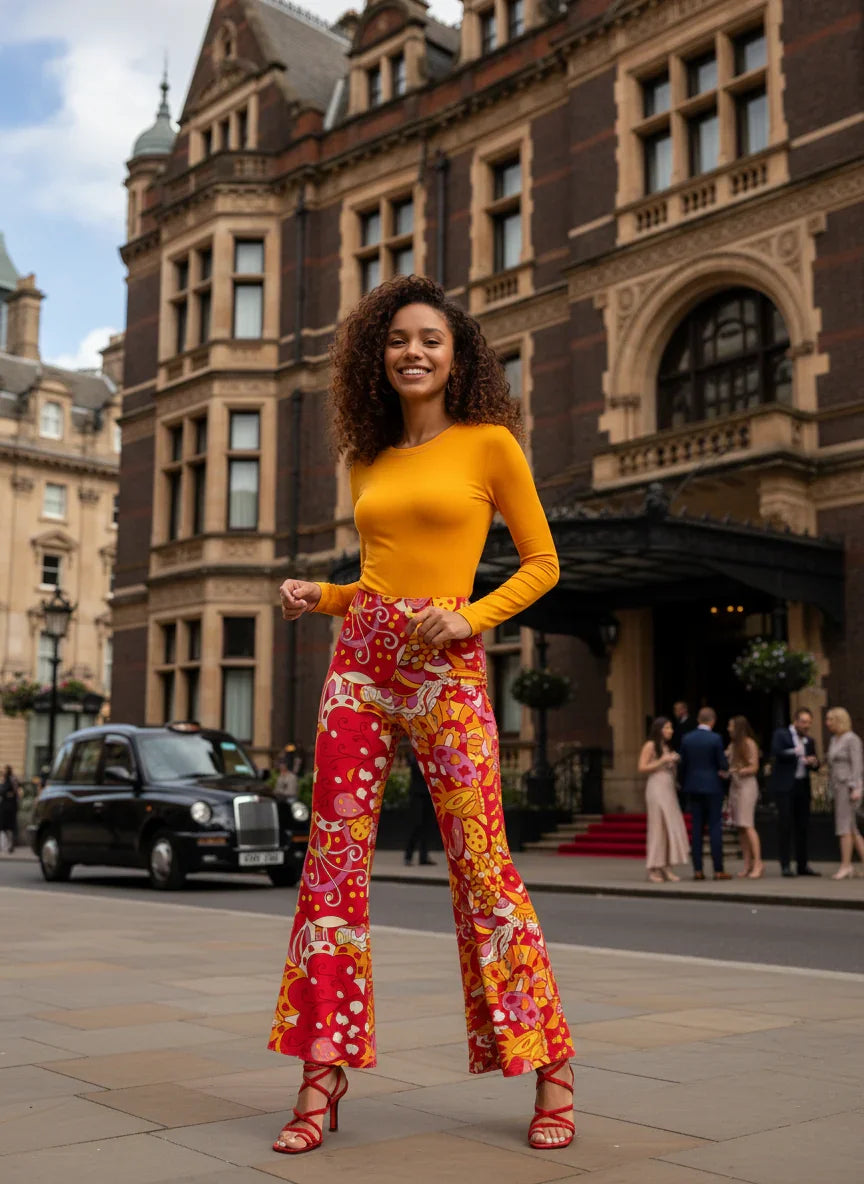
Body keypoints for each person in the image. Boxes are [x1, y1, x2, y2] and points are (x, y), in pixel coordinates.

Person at [268, 276, 575, 1156]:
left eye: (430, 340)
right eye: (398, 339)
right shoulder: (366, 455)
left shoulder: (490, 446)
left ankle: (550, 1065)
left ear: (457, 354)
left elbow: (543, 563)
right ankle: (321, 1076)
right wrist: (316, 595)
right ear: (380, 353)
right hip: (359, 665)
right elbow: (375, 581)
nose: (413, 352)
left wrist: (471, 616)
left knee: (485, 870)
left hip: (447, 670)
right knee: (331, 871)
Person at [679, 707, 731, 881]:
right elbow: (722, 764)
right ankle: (718, 869)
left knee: (697, 830)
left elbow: (682, 764)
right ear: (713, 720)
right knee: (715, 827)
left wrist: (683, 782)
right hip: (713, 788)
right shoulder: (715, 738)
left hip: (693, 787)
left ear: (698, 720)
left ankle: (698, 870)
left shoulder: (687, 738)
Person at [769, 707, 821, 877]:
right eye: (804, 722)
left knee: (803, 826)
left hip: (802, 786)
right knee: (785, 825)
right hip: (785, 787)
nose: (807, 726)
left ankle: (802, 864)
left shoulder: (810, 741)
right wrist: (796, 753)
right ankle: (785, 864)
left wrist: (813, 763)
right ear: (796, 721)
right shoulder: (781, 735)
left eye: (809, 723)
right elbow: (776, 752)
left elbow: (815, 762)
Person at [638, 718, 689, 882]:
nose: (671, 731)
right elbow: (642, 767)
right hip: (656, 788)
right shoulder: (650, 745)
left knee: (669, 826)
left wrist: (672, 762)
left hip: (668, 789)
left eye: (671, 727)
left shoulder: (666, 747)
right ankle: (653, 867)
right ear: (659, 729)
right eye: (667, 727)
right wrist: (662, 760)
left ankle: (666, 866)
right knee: (657, 827)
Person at [825, 707, 864, 880]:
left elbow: (857, 765)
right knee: (852, 828)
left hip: (848, 787)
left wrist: (856, 787)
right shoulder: (834, 739)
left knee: (844, 827)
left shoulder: (852, 739)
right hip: (837, 786)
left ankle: (846, 865)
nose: (827, 723)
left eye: (830, 719)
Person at [726, 716, 763, 879]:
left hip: (747, 786)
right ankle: (747, 864)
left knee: (748, 824)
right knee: (740, 826)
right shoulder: (733, 745)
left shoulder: (749, 743)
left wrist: (739, 770)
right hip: (735, 786)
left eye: (731, 726)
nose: (728, 728)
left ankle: (758, 863)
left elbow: (754, 767)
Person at [403, 745, 436, 866]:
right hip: (417, 795)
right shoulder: (415, 756)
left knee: (427, 826)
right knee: (417, 825)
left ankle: (423, 856)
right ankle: (408, 855)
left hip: (428, 794)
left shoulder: (429, 756)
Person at [0, 766, 21, 854]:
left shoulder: (8, 781)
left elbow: (3, 791)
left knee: (5, 828)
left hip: (7, 808)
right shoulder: (13, 780)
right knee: (9, 828)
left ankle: (7, 846)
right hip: (11, 807)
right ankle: (8, 846)